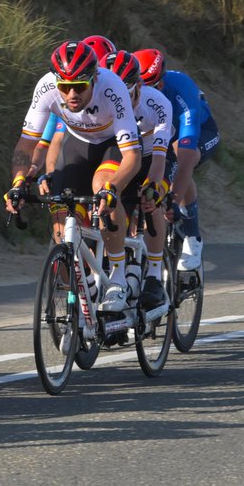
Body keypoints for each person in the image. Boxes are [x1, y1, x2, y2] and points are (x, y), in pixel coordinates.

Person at [5, 41, 141, 311]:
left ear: (94, 78)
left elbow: (133, 157)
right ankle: (85, 284)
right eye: (64, 87)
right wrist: (18, 182)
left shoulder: (112, 89)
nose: (71, 94)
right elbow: (25, 146)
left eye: (79, 86)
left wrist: (113, 189)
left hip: (113, 144)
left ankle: (117, 277)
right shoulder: (46, 88)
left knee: (102, 187)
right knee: (60, 214)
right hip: (78, 144)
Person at [133, 48, 220, 272]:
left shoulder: (181, 87)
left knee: (183, 160)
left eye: (153, 86)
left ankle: (193, 237)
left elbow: (185, 156)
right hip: (164, 130)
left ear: (162, 83)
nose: (146, 93)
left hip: (199, 131)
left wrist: (171, 199)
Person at [101, 50, 173, 313]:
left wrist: (154, 185)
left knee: (150, 199)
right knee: (108, 194)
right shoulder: (102, 100)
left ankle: (154, 273)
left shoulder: (158, 104)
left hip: (155, 155)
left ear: (138, 87)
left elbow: (160, 158)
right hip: (124, 155)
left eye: (125, 90)